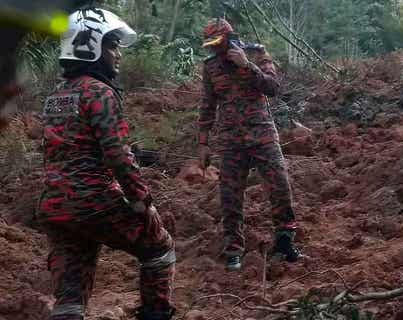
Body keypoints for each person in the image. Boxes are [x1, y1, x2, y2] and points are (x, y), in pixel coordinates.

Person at [37, 8, 176, 320]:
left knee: (70, 296)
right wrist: (142, 201)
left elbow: (69, 147)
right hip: (94, 201)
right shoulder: (100, 91)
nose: (117, 55)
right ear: (92, 46)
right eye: (112, 45)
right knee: (160, 249)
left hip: (54, 207)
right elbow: (116, 154)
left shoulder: (56, 96)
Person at [197, 18, 301, 271]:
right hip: (231, 140)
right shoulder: (210, 67)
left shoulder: (256, 53)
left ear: (230, 38)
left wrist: (247, 65)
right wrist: (202, 142)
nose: (214, 49)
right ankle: (233, 249)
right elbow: (208, 104)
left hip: (262, 134)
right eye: (210, 45)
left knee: (279, 185)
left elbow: (274, 88)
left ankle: (285, 239)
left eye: (217, 43)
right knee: (229, 196)